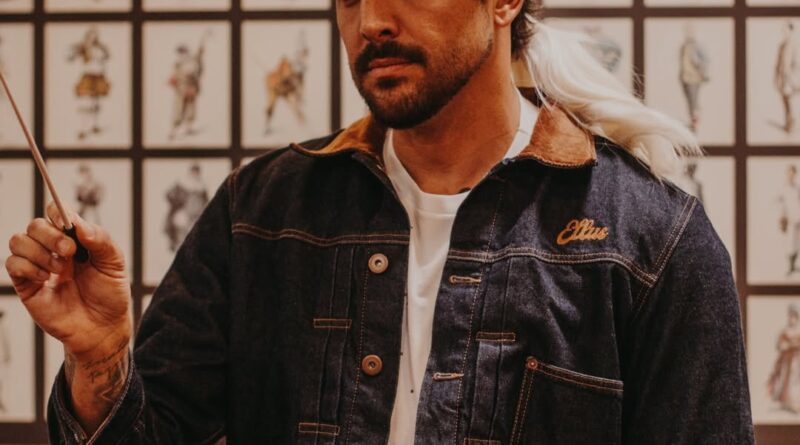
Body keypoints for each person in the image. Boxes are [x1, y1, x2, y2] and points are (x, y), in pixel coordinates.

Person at [6, 1, 754, 443]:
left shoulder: (651, 239)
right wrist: (100, 358)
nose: (371, 21)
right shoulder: (259, 215)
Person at [67, 26, 111, 141]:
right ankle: (83, 128)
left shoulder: (99, 49)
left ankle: (94, 126)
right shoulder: (83, 49)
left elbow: (106, 57)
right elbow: (70, 57)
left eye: (94, 36)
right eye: (90, 36)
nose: (92, 38)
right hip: (88, 78)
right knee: (85, 105)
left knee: (95, 104)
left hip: (98, 77)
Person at [767, 304, 800, 413]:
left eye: (794, 317)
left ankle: (795, 402)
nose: (792, 319)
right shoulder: (785, 331)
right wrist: (789, 345)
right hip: (786, 360)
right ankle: (787, 401)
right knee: (786, 380)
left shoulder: (798, 332)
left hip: (797, 360)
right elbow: (780, 346)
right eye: (790, 317)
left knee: (796, 380)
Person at [678, 23, 709, 134]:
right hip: (685, 78)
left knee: (693, 101)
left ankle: (695, 123)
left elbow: (704, 60)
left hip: (693, 79)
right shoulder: (684, 46)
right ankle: (692, 122)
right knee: (690, 101)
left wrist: (701, 71)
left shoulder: (696, 47)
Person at [776, 21, 800, 134]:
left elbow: (796, 63)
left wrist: (793, 79)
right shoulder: (782, 46)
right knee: (785, 101)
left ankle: (792, 124)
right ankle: (789, 123)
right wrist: (777, 77)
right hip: (783, 79)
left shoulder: (795, 45)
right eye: (783, 30)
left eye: (786, 29)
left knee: (791, 102)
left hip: (791, 79)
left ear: (791, 30)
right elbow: (778, 63)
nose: (784, 32)